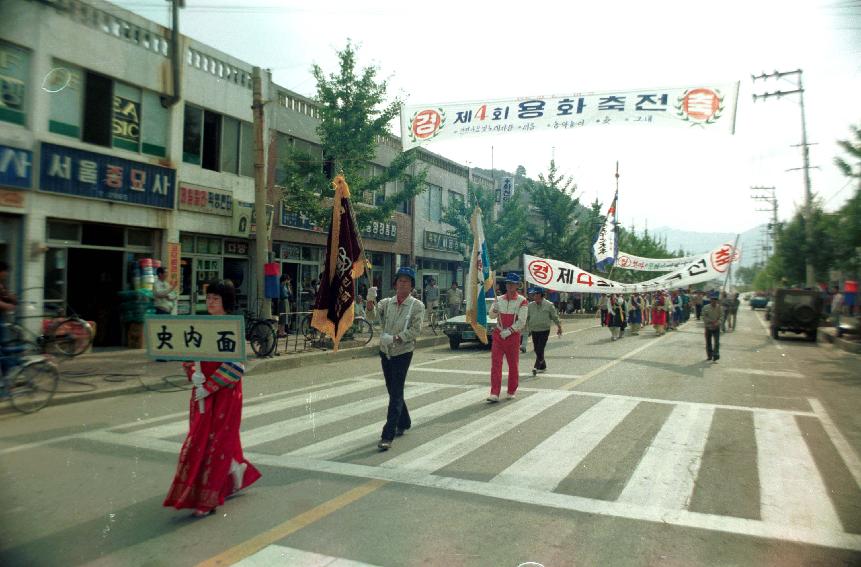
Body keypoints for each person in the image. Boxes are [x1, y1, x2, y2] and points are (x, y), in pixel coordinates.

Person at [164, 280, 261, 517]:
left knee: (218, 442)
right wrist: (192, 374)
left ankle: (208, 498)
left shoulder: (231, 327)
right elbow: (188, 353)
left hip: (225, 394)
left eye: (215, 299)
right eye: (208, 298)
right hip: (201, 395)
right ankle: (232, 477)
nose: (210, 302)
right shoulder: (200, 324)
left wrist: (210, 385)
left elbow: (236, 366)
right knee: (201, 439)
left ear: (225, 302)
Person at [376, 267, 424, 451]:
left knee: (396, 392)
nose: (402, 284)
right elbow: (373, 316)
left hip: (402, 352)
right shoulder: (387, 303)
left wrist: (396, 338)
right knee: (392, 389)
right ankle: (404, 421)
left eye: (407, 281)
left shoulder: (416, 305)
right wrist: (371, 302)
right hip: (385, 351)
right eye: (400, 280)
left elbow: (416, 330)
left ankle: (387, 435)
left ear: (411, 285)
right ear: (395, 283)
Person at [487, 273, 528, 402]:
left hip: (513, 336)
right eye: (508, 283)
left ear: (517, 285)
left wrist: (510, 331)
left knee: (513, 365)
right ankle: (494, 392)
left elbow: (522, 321)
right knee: (496, 364)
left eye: (512, 284)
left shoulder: (522, 301)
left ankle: (511, 390)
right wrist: (494, 310)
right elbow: (492, 316)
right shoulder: (498, 299)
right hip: (498, 335)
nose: (510, 286)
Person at [526, 287, 562, 375]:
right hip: (534, 329)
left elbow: (554, 317)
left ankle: (536, 366)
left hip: (544, 330)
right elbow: (527, 317)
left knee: (540, 348)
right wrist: (527, 328)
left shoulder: (549, 305)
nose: (534, 296)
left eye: (536, 294)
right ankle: (543, 365)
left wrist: (559, 327)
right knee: (536, 349)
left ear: (541, 295)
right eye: (533, 294)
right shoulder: (530, 305)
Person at [702, 292, 723, 363]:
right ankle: (709, 355)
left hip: (716, 327)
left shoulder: (719, 308)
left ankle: (716, 355)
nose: (714, 301)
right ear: (710, 300)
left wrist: (717, 322)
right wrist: (711, 321)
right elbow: (704, 316)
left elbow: (721, 317)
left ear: (717, 300)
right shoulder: (705, 307)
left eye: (715, 300)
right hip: (708, 327)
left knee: (717, 342)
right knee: (708, 342)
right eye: (712, 299)